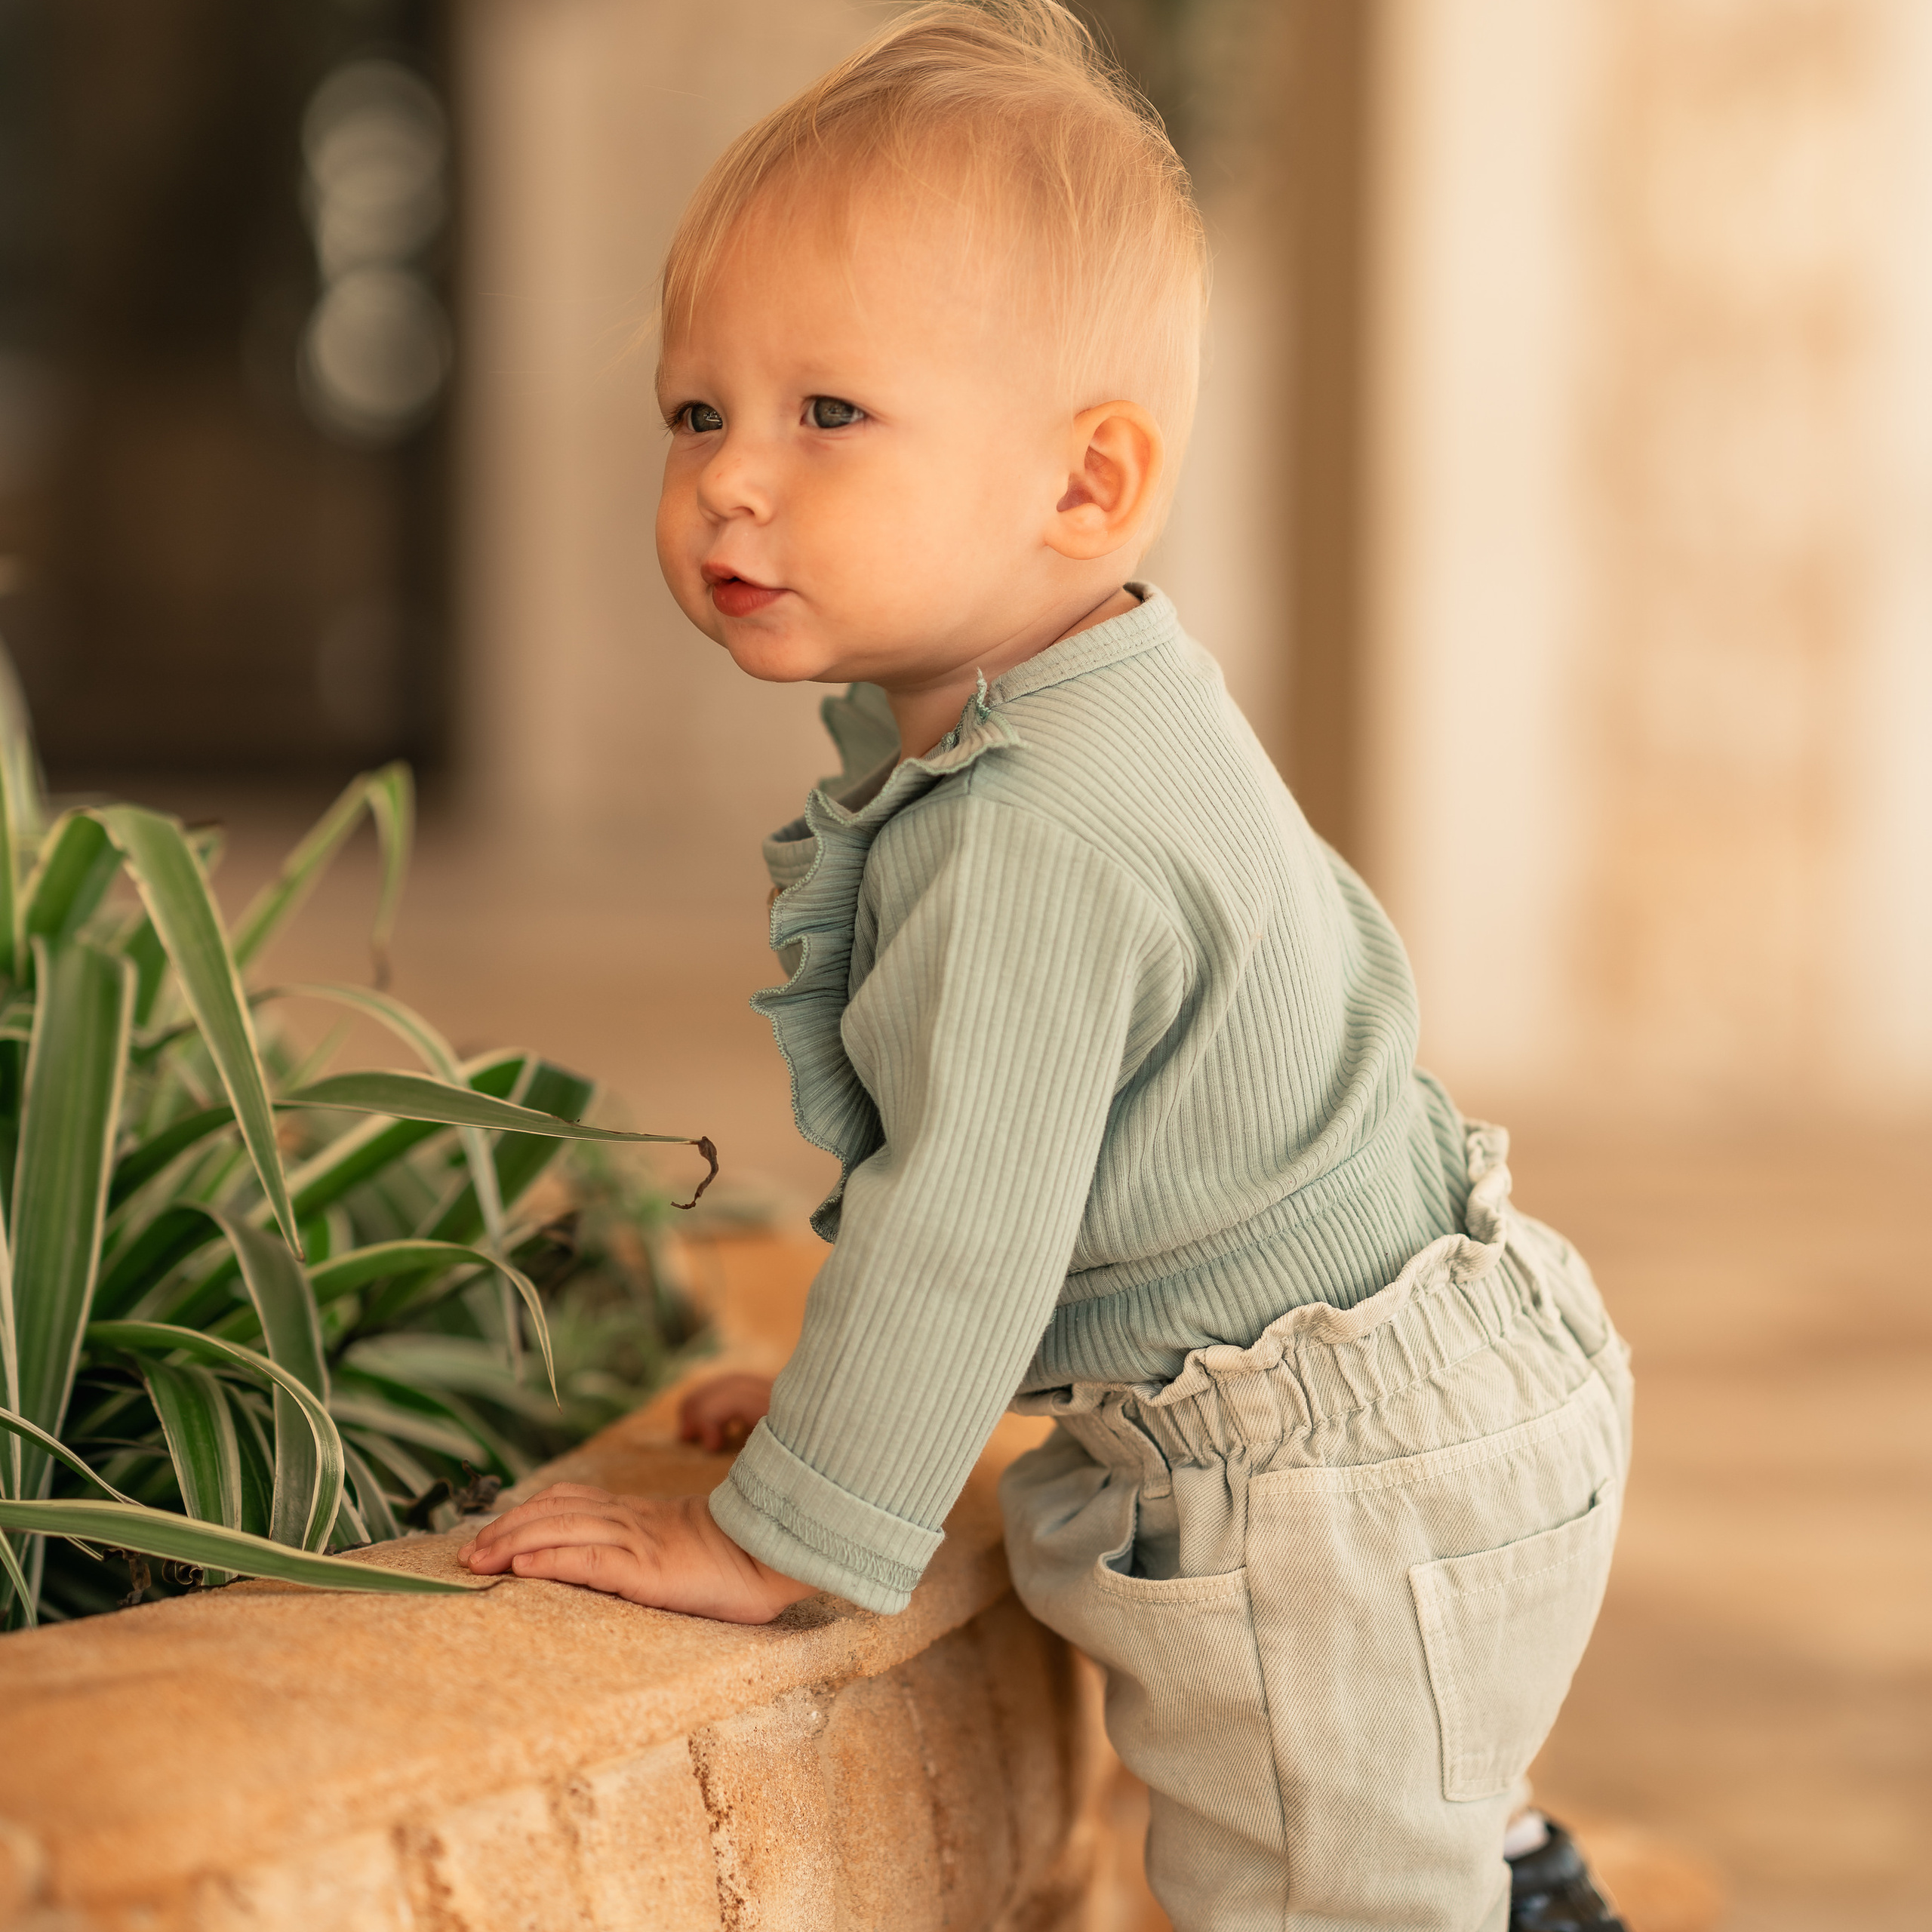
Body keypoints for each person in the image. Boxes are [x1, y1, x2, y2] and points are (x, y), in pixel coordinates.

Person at [459, 5, 1633, 1925]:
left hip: (1328, 1504)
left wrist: (785, 1538)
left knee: (1315, 1880)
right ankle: (1514, 1877)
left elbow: (971, 1219)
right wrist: (863, 1394)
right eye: (696, 411)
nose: (731, 480)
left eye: (827, 414)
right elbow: (1132, 1157)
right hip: (1449, 1373)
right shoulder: (1095, 695)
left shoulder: (1027, 830)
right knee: (1410, 1790)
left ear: (1084, 486)